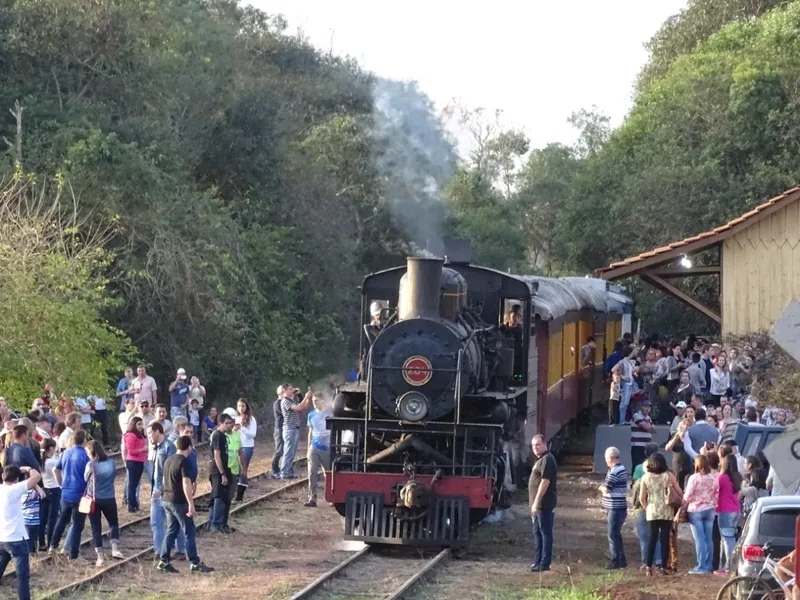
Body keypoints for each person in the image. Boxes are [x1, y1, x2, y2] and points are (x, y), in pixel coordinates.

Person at [156, 435, 213, 574]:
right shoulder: (184, 462)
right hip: (179, 502)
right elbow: (186, 483)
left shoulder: (169, 460)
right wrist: (191, 504)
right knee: (189, 532)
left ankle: (163, 561)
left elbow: (164, 480)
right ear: (189, 447)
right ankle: (194, 562)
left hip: (167, 499)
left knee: (171, 530)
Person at [0, 464, 42, 600]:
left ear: (3, 476)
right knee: (22, 577)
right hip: (17, 538)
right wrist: (28, 469)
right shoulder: (15, 489)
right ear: (17, 479)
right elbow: (37, 477)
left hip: (2, 538)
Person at [48, 429, 91, 561]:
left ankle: (53, 546)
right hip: (83, 495)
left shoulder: (66, 453)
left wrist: (61, 484)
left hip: (66, 493)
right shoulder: (86, 455)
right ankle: (74, 554)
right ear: (84, 441)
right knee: (78, 524)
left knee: (62, 520)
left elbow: (55, 469)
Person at [639, 452, 682, 577]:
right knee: (664, 539)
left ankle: (648, 567)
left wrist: (648, 509)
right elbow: (679, 491)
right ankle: (663, 566)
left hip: (652, 511)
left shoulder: (645, 478)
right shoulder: (668, 475)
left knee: (652, 539)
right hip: (666, 511)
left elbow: (642, 498)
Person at [148, 422, 183, 563]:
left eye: (150, 433)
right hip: (156, 491)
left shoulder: (169, 447)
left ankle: (181, 550)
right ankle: (159, 551)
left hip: (167, 491)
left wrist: (162, 488)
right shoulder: (156, 447)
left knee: (174, 522)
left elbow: (171, 471)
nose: (149, 436)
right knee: (156, 522)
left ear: (157, 432)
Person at [84, 440, 123, 566]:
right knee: (113, 523)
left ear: (91, 451)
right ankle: (115, 549)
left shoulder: (91, 465)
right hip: (109, 497)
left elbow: (86, 478)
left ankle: (100, 557)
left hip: (93, 499)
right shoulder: (112, 463)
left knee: (96, 527)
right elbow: (113, 477)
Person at [682, 454, 719, 574]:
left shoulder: (694, 478)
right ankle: (708, 566)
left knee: (699, 539)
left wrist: (682, 507)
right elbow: (716, 493)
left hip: (696, 510)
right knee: (709, 539)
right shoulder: (713, 478)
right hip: (710, 509)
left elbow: (687, 496)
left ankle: (700, 566)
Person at [631, 443, 662, 570]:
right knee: (656, 535)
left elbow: (635, 487)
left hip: (643, 506)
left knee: (644, 535)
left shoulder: (639, 468)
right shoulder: (663, 469)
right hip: (657, 506)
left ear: (645, 453)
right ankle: (659, 560)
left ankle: (645, 561)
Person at [529, 434, 557, 573]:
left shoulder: (547, 459)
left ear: (545, 444)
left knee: (545, 533)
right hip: (537, 505)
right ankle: (537, 561)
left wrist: (536, 501)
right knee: (537, 533)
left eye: (538, 444)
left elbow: (545, 482)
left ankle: (544, 563)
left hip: (543, 504)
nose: (535, 448)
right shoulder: (540, 460)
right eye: (533, 445)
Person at [599, 446, 627, 570]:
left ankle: (616, 560)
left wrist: (601, 488)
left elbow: (607, 488)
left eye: (606, 458)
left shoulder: (616, 471)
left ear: (610, 458)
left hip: (616, 507)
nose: (605, 461)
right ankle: (621, 559)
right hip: (615, 506)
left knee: (612, 534)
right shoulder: (616, 469)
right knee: (615, 534)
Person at [208, 412, 234, 534]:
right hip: (217, 470)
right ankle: (215, 523)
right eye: (227, 423)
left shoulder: (223, 435)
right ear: (220, 423)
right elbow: (217, 455)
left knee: (219, 496)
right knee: (219, 496)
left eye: (231, 423)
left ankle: (215, 522)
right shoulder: (218, 436)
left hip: (222, 469)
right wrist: (222, 473)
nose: (230, 425)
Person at [716, 451, 742, 576]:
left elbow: (715, 489)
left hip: (725, 510)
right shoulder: (738, 477)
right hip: (736, 510)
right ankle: (730, 565)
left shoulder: (722, 478)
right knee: (731, 538)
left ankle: (729, 567)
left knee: (727, 540)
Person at [305, 395, 332, 508]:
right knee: (312, 473)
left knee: (328, 473)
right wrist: (308, 448)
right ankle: (312, 498)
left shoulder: (330, 413)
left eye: (317, 401)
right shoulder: (311, 415)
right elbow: (310, 432)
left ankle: (331, 497)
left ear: (323, 401)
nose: (315, 403)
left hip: (327, 447)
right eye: (313, 401)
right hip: (314, 447)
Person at [280, 386, 312, 479]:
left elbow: (303, 407)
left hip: (294, 428)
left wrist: (302, 396)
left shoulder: (291, 401)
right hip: (289, 429)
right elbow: (298, 408)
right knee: (289, 451)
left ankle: (288, 470)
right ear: (284, 391)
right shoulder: (285, 401)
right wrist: (306, 397)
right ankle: (284, 472)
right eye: (290, 389)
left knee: (292, 451)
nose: (292, 390)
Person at [122, 416, 148, 513]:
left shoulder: (139, 435)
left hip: (140, 461)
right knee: (132, 484)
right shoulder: (130, 435)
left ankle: (134, 504)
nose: (141, 426)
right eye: (139, 424)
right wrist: (143, 449)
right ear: (134, 425)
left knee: (135, 484)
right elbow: (131, 451)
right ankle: (131, 505)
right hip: (133, 462)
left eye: (142, 424)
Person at [39, 438, 60, 551]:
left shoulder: (41, 461)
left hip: (45, 489)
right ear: (51, 448)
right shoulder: (52, 462)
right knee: (52, 517)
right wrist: (57, 455)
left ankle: (41, 542)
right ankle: (51, 541)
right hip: (54, 489)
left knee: (43, 517)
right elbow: (60, 466)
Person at [235, 399, 257, 503]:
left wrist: (242, 428)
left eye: (243, 406)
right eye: (239, 406)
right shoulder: (235, 418)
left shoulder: (251, 419)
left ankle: (239, 496)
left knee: (243, 469)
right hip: (235, 446)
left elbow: (253, 434)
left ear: (246, 407)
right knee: (235, 469)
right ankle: (235, 491)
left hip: (247, 446)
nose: (241, 408)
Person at [631, 401, 655, 472]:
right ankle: (635, 482)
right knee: (637, 465)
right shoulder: (636, 416)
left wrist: (649, 427)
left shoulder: (648, 417)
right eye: (645, 406)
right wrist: (649, 427)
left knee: (646, 466)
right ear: (641, 407)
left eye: (649, 407)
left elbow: (654, 430)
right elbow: (647, 427)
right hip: (637, 445)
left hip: (647, 446)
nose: (647, 409)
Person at [271, 387, 284, 478]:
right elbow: (285, 412)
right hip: (279, 429)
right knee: (279, 450)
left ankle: (280, 469)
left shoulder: (286, 402)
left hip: (286, 429)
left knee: (284, 450)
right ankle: (274, 470)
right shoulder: (277, 404)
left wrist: (298, 395)